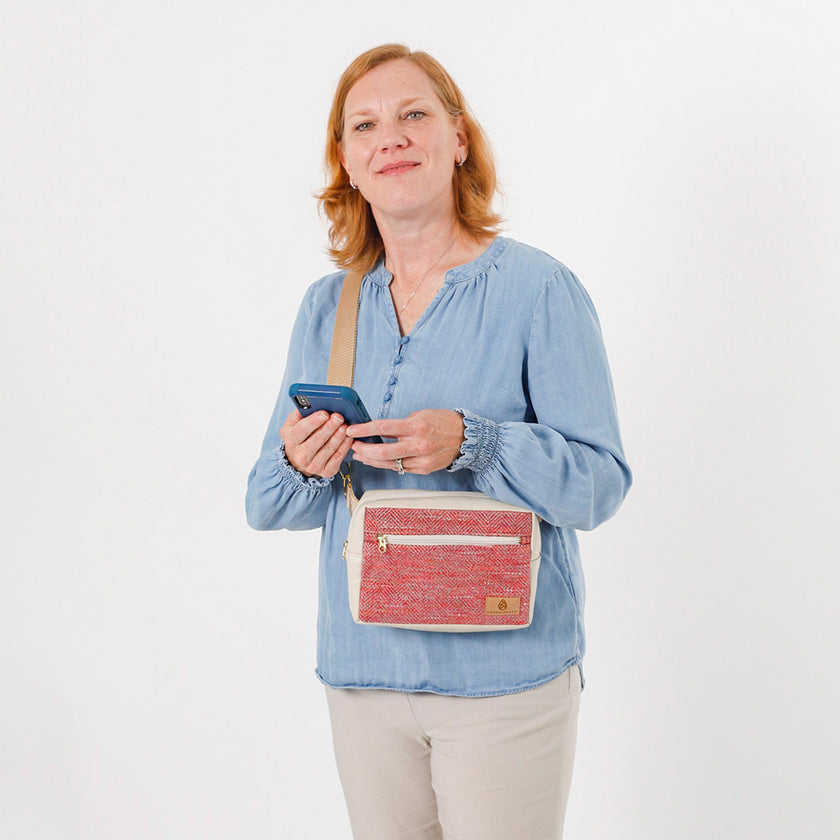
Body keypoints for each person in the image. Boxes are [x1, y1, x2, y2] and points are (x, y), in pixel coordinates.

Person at [246, 43, 631, 840]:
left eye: (413, 114)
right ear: (347, 163)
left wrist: (478, 444)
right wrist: (300, 462)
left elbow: (598, 485)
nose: (390, 136)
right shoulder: (328, 307)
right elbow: (265, 504)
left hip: (505, 682)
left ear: (459, 139)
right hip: (363, 678)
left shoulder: (538, 289)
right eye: (365, 125)